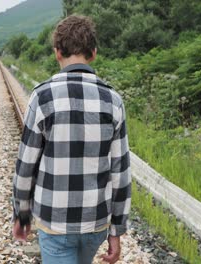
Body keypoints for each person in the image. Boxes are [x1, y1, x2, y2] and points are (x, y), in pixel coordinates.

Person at [12, 15, 131, 264]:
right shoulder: (113, 101)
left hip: (55, 222)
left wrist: (22, 215)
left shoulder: (42, 97)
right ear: (94, 53)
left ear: (57, 53)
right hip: (95, 223)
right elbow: (121, 173)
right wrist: (116, 230)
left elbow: (25, 167)